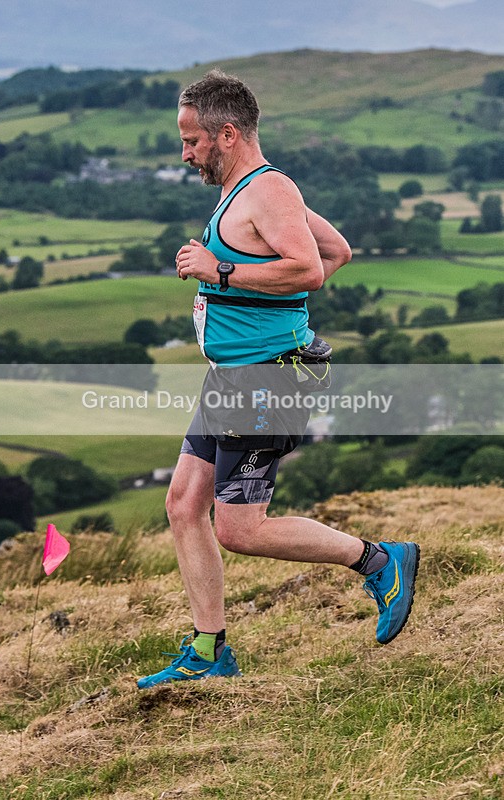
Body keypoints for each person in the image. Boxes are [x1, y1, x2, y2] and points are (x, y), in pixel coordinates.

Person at [137, 70, 419, 689]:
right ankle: (210, 651)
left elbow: (311, 270)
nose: (185, 154)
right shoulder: (256, 191)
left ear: (228, 133)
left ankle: (380, 561)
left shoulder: (266, 193)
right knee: (185, 504)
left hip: (268, 379)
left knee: (241, 528)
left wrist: (222, 270)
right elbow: (337, 251)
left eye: (192, 141)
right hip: (237, 376)